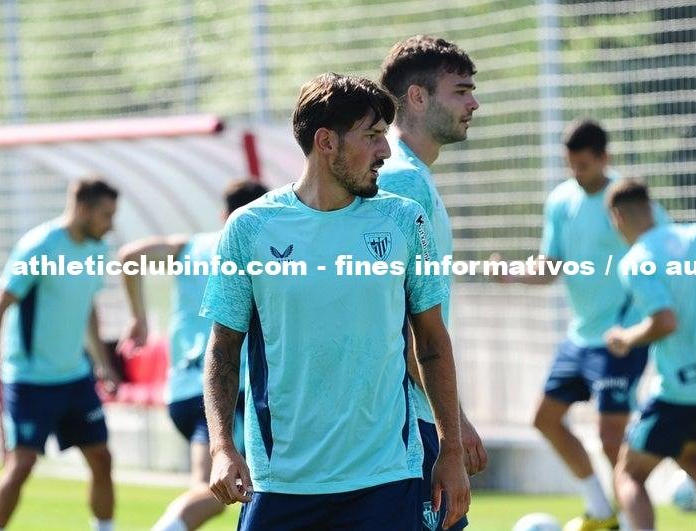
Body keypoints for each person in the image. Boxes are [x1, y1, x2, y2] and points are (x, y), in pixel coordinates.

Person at [200, 73, 470, 531]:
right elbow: (223, 348)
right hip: (282, 482)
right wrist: (222, 447)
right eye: (372, 136)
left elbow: (430, 343)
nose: (385, 151)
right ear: (326, 142)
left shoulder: (404, 220)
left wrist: (451, 449)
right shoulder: (250, 228)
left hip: (387, 477)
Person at [491, 120, 668, 531]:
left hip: (620, 337)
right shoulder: (561, 200)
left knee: (610, 437)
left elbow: (664, 247)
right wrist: (512, 273)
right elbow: (550, 265)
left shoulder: (626, 199)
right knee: (545, 419)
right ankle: (601, 512)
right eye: (570, 165)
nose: (576, 173)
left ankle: (632, 521)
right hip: (580, 336)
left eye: (584, 165)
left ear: (605, 158)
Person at [378, 34, 486, 531]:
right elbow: (403, 325)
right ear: (418, 97)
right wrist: (453, 428)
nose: (473, 103)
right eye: (460, 91)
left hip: (412, 419)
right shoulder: (402, 181)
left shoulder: (412, 175)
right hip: (403, 426)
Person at [117, 180, 268, 531]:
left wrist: (139, 317)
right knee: (222, 490)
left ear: (223, 214)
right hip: (227, 393)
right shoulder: (256, 253)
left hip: (183, 393)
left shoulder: (191, 247)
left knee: (218, 486)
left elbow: (130, 256)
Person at [604, 178, 696, 531]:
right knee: (686, 455)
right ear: (651, 207)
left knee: (629, 473)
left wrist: (625, 338)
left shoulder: (637, 261)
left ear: (617, 218)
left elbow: (665, 322)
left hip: (682, 392)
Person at [0, 178, 120, 531]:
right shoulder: (39, 246)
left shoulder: (98, 249)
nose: (111, 225)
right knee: (21, 465)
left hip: (75, 377)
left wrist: (103, 364)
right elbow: (3, 302)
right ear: (82, 209)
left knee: (101, 457)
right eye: (105, 215)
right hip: (29, 379)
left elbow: (88, 307)